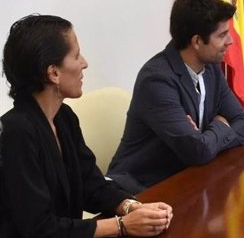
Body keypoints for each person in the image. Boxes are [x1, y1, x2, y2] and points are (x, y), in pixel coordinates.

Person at [0, 15, 173, 237]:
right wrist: (122, 226)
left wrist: (133, 208)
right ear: (53, 73)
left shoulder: (64, 117)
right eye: (76, 55)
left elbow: (91, 185)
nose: (84, 63)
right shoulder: (16, 133)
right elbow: (39, 229)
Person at [107, 0, 244, 193]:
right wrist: (220, 125)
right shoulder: (157, 81)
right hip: (142, 190)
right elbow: (197, 151)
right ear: (197, 42)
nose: (230, 41)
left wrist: (204, 137)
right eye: (222, 35)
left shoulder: (211, 68)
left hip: (188, 180)